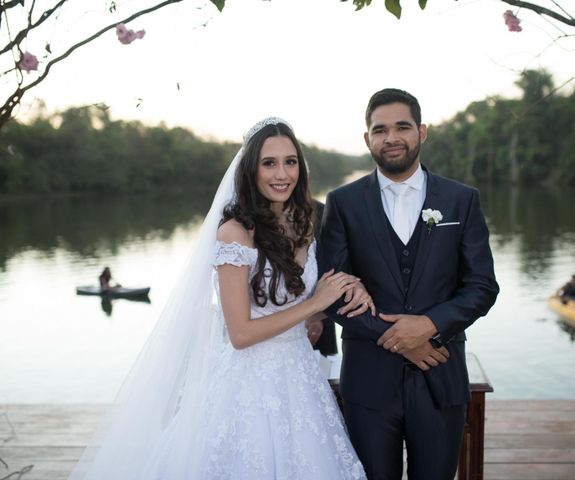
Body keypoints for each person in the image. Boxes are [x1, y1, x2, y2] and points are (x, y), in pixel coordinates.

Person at [70, 118, 367, 479]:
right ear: (250, 169)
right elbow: (240, 334)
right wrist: (314, 305)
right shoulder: (235, 234)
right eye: (269, 163)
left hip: (301, 377)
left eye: (290, 162)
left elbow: (318, 286)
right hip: (250, 387)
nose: (282, 173)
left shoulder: (305, 223)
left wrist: (337, 300)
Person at [318, 88, 499, 479]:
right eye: (380, 130)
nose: (391, 137)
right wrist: (402, 339)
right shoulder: (343, 203)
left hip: (441, 376)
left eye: (402, 127)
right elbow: (330, 293)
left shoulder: (461, 200)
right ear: (367, 139)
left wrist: (430, 328)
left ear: (422, 132)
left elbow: (482, 286)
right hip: (368, 384)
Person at [306, 199, 339, 356]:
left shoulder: (323, 212)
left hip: (318, 329)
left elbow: (334, 266)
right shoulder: (241, 222)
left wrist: (319, 314)